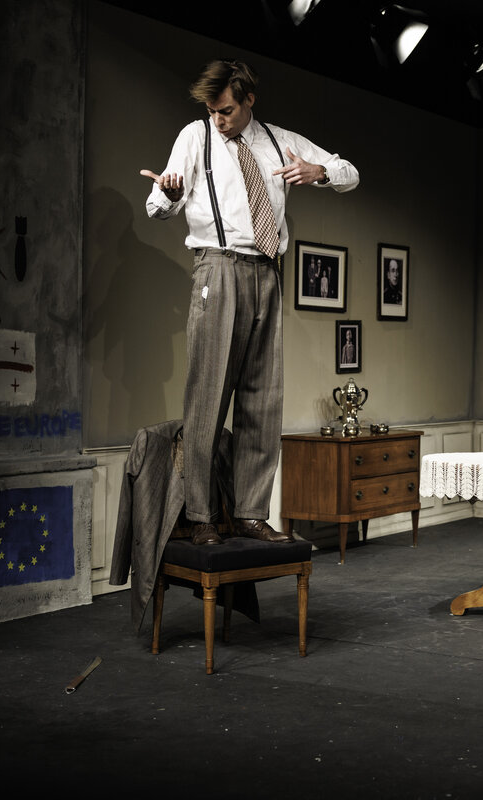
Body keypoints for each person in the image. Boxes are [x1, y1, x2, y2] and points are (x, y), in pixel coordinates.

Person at [140, 59, 359, 546]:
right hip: (217, 267)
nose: (218, 119)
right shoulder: (195, 136)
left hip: (269, 272)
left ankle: (251, 513)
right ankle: (200, 515)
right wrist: (168, 193)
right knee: (208, 397)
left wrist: (320, 171)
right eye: (212, 111)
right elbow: (157, 207)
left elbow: (351, 174)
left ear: (249, 100)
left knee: (263, 397)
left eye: (227, 110)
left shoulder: (279, 140)